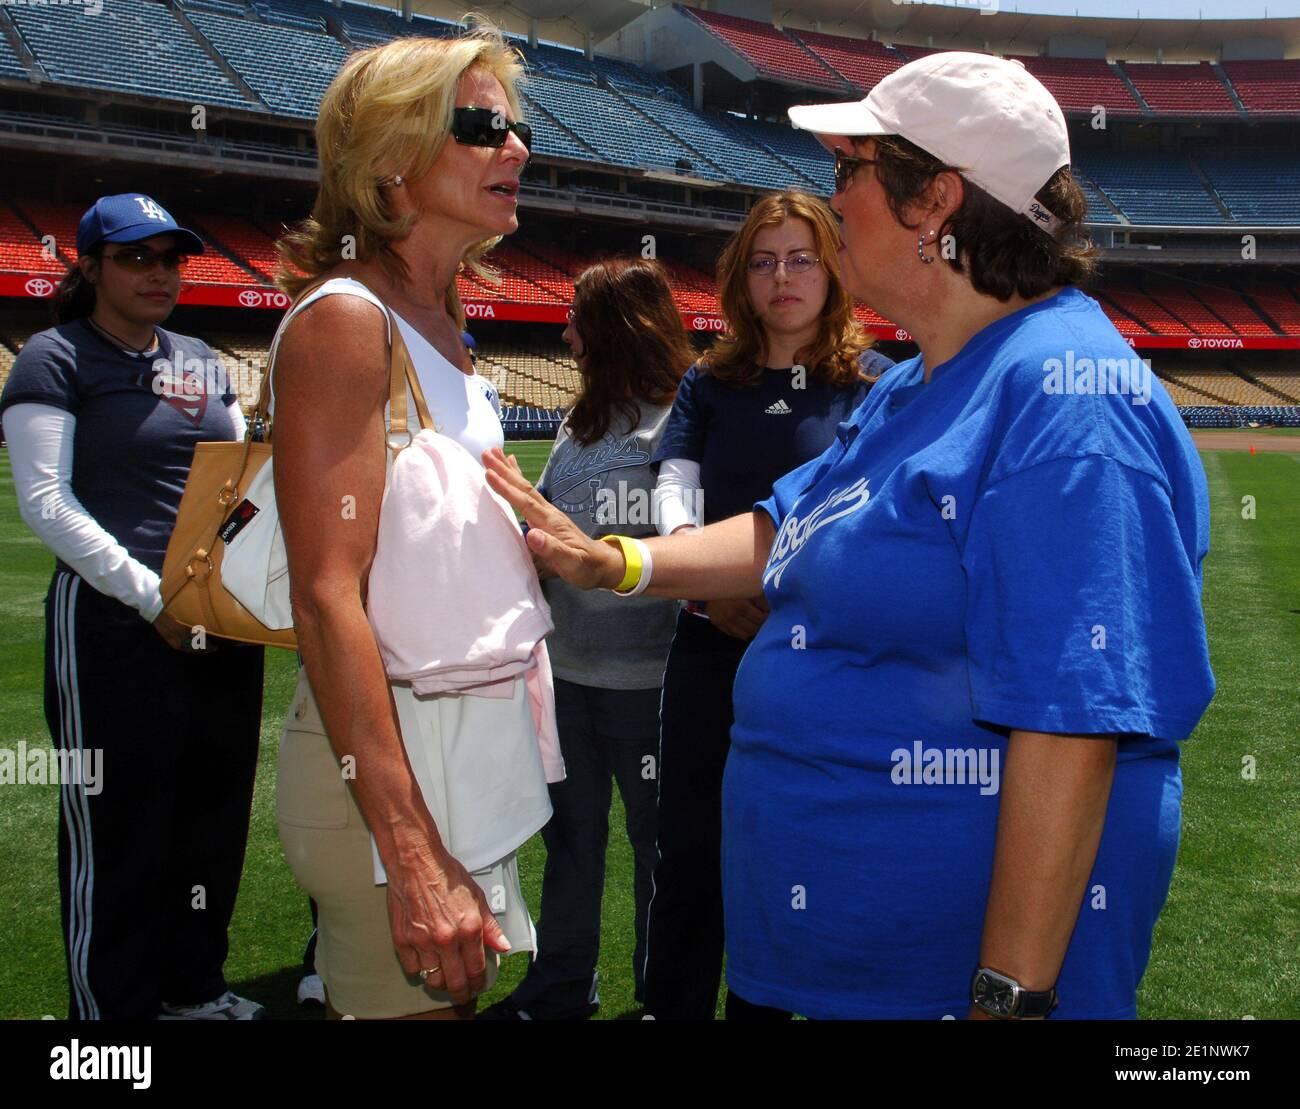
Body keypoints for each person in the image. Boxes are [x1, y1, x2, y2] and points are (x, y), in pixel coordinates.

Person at [481, 52, 1215, 1020]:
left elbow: (1069, 723)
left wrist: (1007, 998)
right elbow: (788, 525)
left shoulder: (1063, 397)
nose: (831, 207)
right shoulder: (922, 380)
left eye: (849, 173)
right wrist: (615, 558)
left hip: (936, 981)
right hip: (838, 964)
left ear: (935, 203)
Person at [269, 26, 550, 1020]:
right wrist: (410, 847)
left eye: (518, 127)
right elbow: (325, 590)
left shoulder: (445, 322)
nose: (514, 146)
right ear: (390, 157)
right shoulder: (349, 319)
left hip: (455, 751)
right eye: (479, 126)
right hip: (385, 781)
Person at [0, 193, 265, 1020]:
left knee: (210, 814)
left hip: (216, 617)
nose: (160, 273)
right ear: (91, 266)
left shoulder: (201, 357)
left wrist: (245, 582)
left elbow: (239, 483)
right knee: (119, 824)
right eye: (136, 257)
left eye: (172, 258)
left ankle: (192, 987)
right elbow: (46, 502)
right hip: (114, 623)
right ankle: (110, 1012)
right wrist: (153, 596)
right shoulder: (54, 356)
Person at [641, 192, 893, 1019]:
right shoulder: (707, 383)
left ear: (833, 270)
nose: (782, 276)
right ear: (739, 278)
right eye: (762, 259)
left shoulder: (877, 386)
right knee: (689, 851)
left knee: (802, 852)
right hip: (711, 648)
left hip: (821, 662)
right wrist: (711, 590)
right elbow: (673, 500)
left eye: (801, 257)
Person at [479, 258, 691, 1019]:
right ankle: (564, 981)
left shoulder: (681, 423)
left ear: (614, 330)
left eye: (577, 317)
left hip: (652, 684)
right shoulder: (578, 421)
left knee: (656, 849)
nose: (564, 330)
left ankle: (658, 995)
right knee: (570, 838)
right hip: (568, 674)